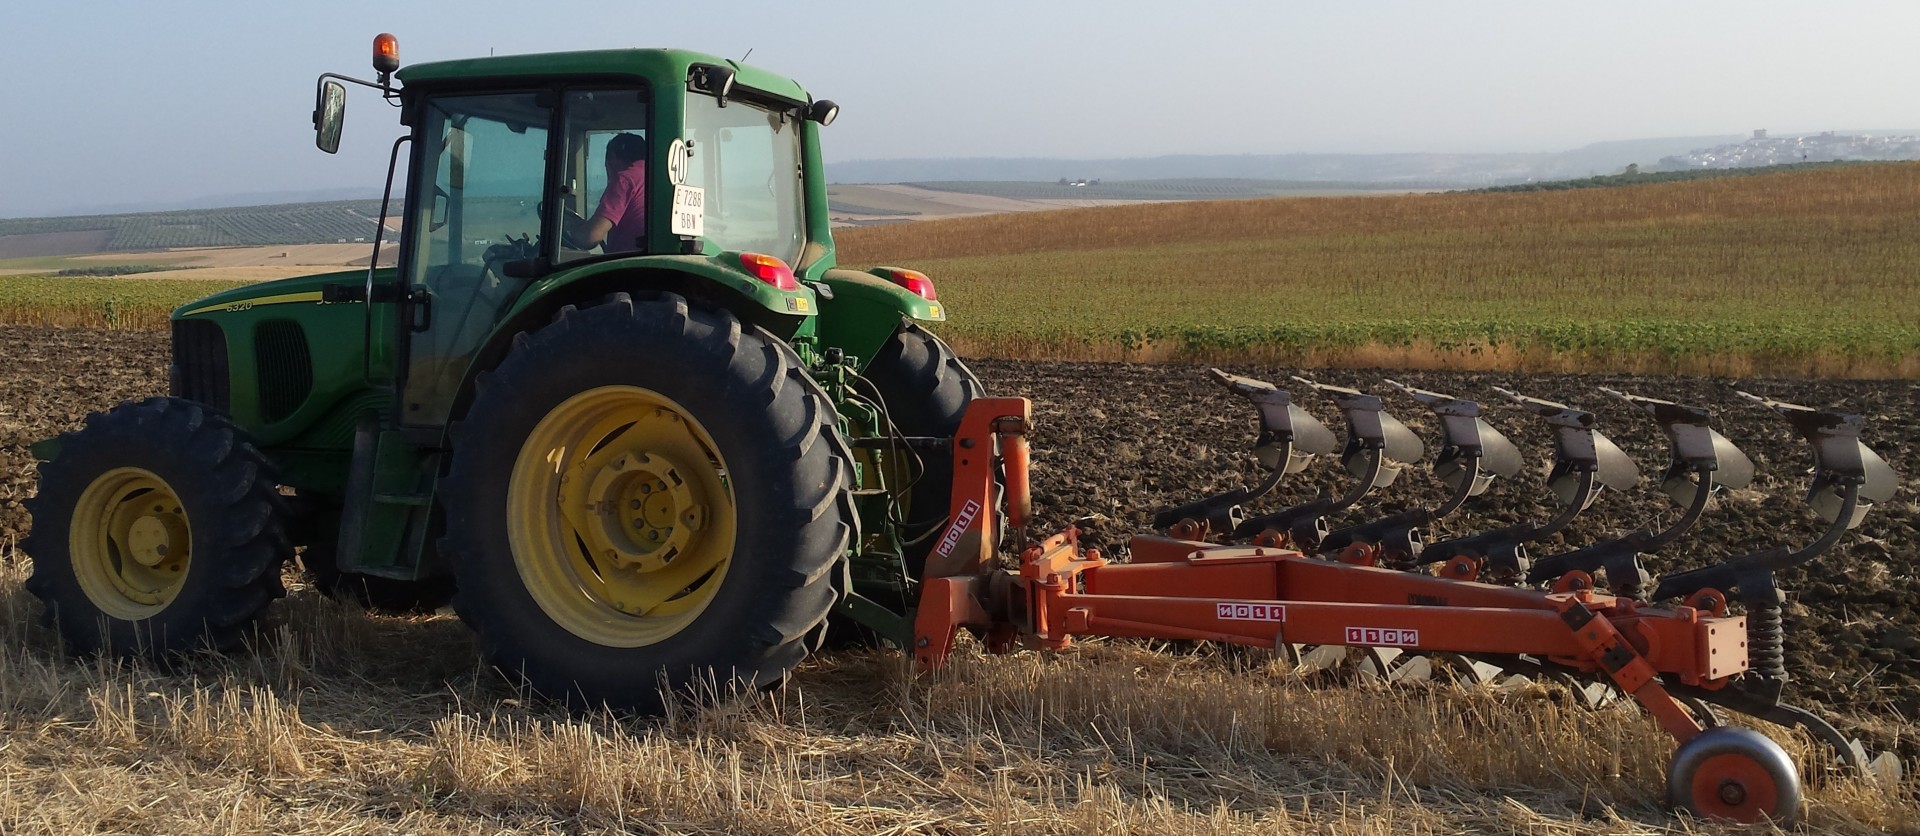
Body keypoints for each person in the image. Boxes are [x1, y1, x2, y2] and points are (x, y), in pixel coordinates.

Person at [566, 132, 647, 252]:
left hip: (629, 264)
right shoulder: (654, 176)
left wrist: (569, 228)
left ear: (613, 158)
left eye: (606, 165)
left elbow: (590, 237)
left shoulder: (625, 179)